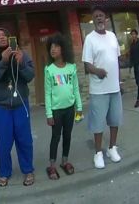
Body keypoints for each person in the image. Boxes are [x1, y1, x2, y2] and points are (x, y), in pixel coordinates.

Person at [0, 28, 35, 187]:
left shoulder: (22, 54)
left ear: (10, 37)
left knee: (24, 140)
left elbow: (30, 76)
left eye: (4, 35)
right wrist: (3, 62)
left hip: (20, 105)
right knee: (4, 143)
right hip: (1, 107)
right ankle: (4, 172)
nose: (2, 38)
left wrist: (20, 64)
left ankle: (28, 170)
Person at [82, 6, 123, 169]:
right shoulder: (90, 39)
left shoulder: (112, 36)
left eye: (101, 15)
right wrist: (97, 71)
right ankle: (98, 153)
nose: (99, 18)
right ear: (93, 20)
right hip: (99, 90)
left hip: (114, 88)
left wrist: (118, 81)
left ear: (106, 19)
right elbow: (87, 65)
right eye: (96, 16)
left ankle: (112, 148)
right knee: (98, 123)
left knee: (115, 120)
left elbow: (116, 60)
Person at [44, 34, 82, 180]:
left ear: (63, 49)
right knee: (55, 137)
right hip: (56, 110)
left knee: (67, 135)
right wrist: (49, 114)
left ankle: (64, 161)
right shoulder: (49, 70)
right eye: (51, 47)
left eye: (56, 46)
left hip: (70, 109)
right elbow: (47, 94)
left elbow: (76, 89)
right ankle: (52, 166)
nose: (53, 49)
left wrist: (78, 107)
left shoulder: (71, 68)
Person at [129, 29, 139, 108]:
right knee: (137, 81)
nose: (133, 35)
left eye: (134, 34)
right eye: (132, 34)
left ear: (137, 34)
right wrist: (130, 66)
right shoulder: (132, 45)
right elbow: (131, 56)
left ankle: (138, 100)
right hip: (135, 65)